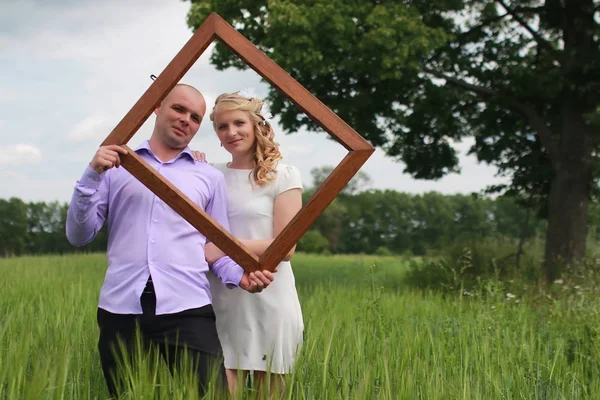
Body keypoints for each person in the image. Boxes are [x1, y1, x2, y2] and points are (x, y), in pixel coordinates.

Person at [65, 84, 274, 398]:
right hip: (121, 309)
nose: (185, 120)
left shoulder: (208, 176)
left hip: (188, 308)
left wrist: (240, 276)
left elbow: (218, 244)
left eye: (195, 117)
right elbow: (79, 235)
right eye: (179, 109)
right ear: (157, 108)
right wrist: (92, 174)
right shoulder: (116, 167)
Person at [195, 90, 304, 396]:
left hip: (270, 294)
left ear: (256, 125)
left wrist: (222, 245)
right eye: (222, 126)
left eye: (238, 123)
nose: (231, 132)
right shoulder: (208, 174)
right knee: (219, 386)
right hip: (223, 295)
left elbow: (286, 247)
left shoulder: (284, 176)